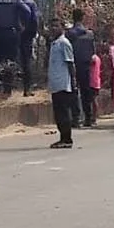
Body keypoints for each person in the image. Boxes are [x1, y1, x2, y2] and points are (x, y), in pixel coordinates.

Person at [46, 21, 77, 149]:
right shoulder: (54, 43)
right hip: (55, 84)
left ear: (62, 28)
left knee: (63, 112)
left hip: (64, 83)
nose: (53, 29)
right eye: (51, 26)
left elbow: (70, 63)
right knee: (58, 113)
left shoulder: (64, 43)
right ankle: (62, 138)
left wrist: (73, 83)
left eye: (56, 26)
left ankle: (67, 138)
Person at [66, 9, 97, 127]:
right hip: (86, 65)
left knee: (74, 91)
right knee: (86, 92)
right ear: (82, 18)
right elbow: (93, 51)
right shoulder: (89, 34)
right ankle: (88, 118)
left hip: (73, 65)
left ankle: (76, 118)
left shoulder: (69, 34)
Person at [12, 0, 40, 96]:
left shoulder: (10, 0)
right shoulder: (31, 3)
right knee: (26, 62)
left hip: (10, 36)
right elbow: (35, 21)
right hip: (26, 37)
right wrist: (32, 34)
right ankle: (27, 89)